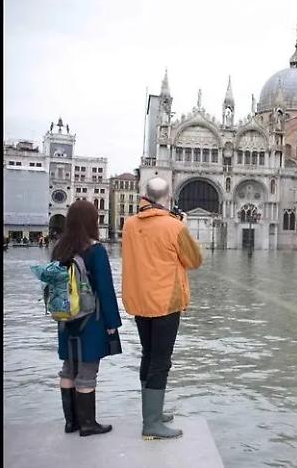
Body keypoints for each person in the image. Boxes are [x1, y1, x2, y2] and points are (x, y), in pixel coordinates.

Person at [121, 177, 202, 440]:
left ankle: (151, 412)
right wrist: (182, 226)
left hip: (140, 300)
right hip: (165, 301)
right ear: (167, 198)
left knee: (148, 354)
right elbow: (194, 260)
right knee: (161, 360)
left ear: (146, 195)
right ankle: (152, 423)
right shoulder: (173, 226)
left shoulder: (129, 225)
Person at [51, 200, 123, 436]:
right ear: (92, 222)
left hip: (65, 318)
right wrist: (112, 324)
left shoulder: (60, 248)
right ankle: (88, 424)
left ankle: (71, 422)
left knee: (68, 368)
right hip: (91, 320)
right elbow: (105, 290)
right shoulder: (96, 251)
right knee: (88, 370)